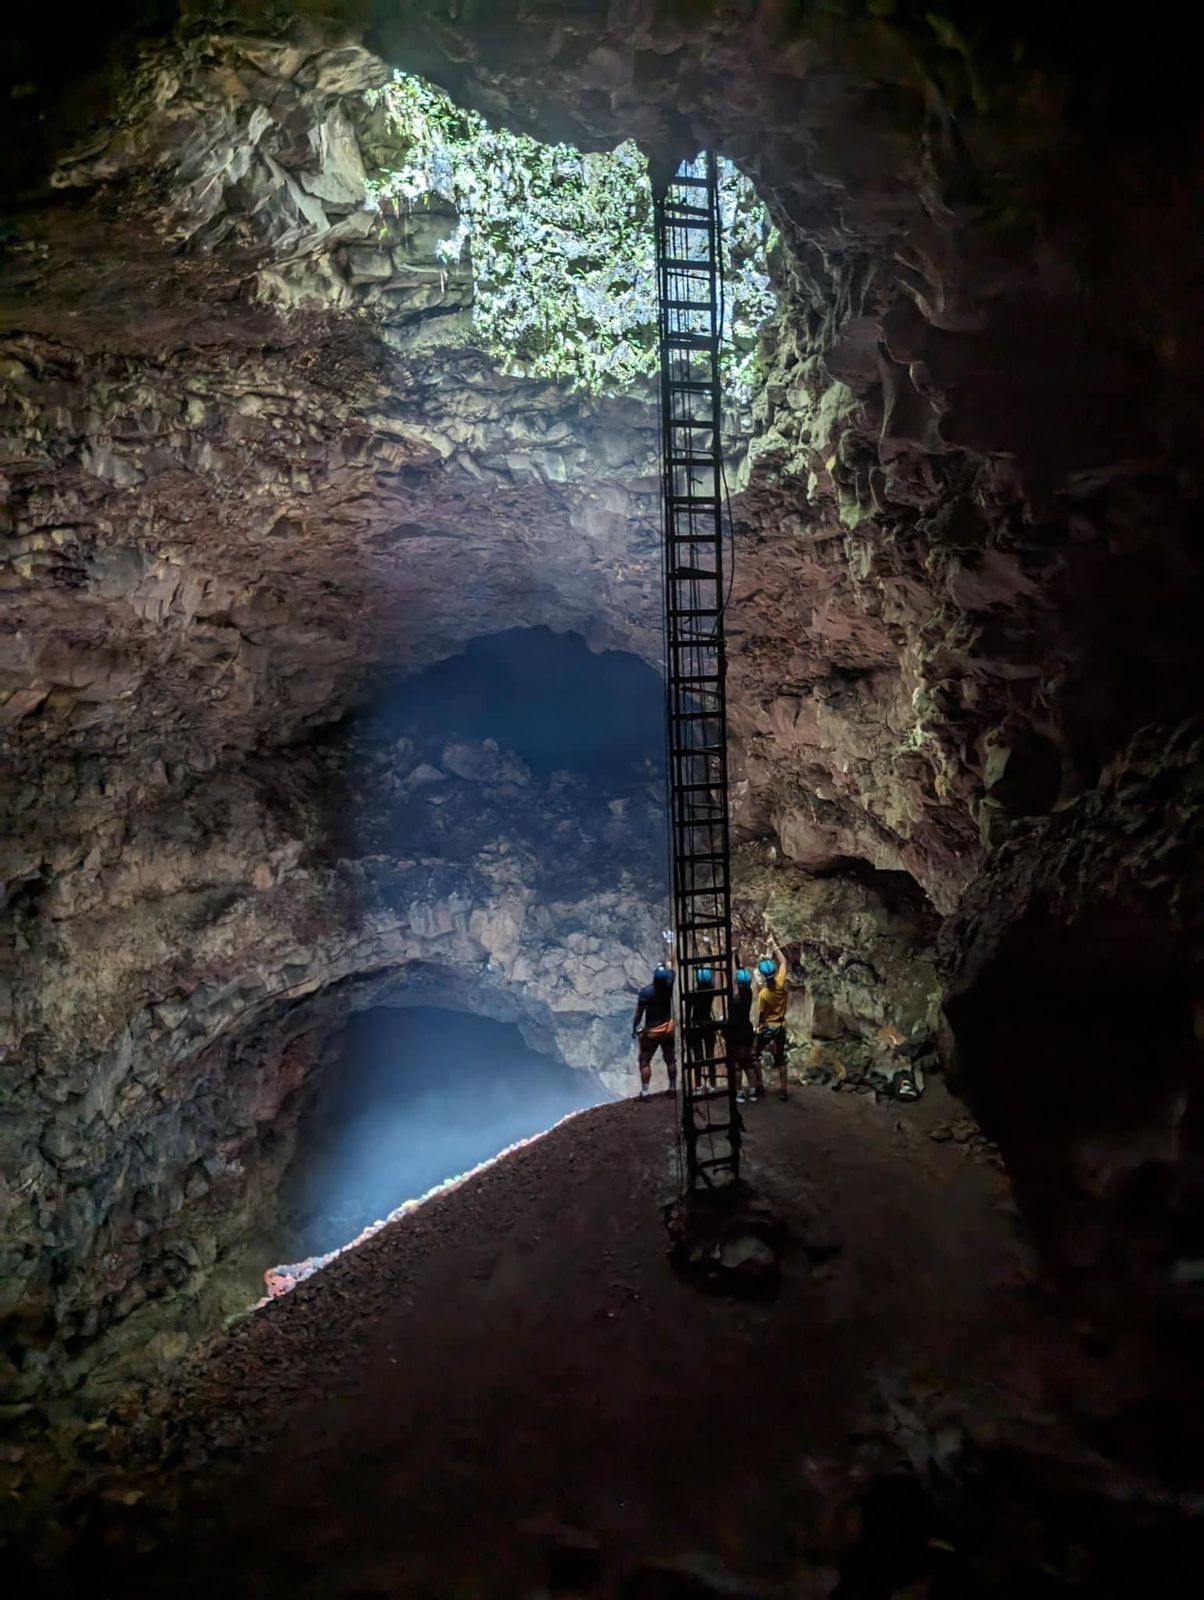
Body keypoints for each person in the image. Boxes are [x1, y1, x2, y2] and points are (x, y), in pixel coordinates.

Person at [632, 951, 676, 1100]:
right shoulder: (670, 984)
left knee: (644, 1061)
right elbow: (671, 967)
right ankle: (672, 1088)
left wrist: (635, 1028)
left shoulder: (647, 992)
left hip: (652, 1031)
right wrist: (668, 958)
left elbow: (639, 1013)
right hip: (668, 1028)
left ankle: (645, 1093)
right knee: (670, 1059)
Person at [755, 935, 791, 1101]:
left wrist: (758, 1026)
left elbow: (762, 1015)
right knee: (780, 1056)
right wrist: (773, 945)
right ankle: (784, 1089)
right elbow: (784, 962)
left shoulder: (764, 994)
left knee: (755, 1054)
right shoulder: (781, 982)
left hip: (769, 1026)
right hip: (781, 1025)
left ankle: (759, 1086)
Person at [726, 961, 762, 1104]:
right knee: (748, 1063)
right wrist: (739, 966)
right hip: (747, 1031)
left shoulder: (735, 1001)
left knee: (737, 1065)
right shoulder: (749, 993)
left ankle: (740, 1092)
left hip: (737, 1033)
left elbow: (731, 1015)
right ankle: (753, 1091)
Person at [685, 963, 720, 1089]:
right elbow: (714, 979)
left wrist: (687, 1030)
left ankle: (699, 1085)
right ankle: (713, 1084)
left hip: (696, 1025)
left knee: (698, 1057)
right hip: (708, 1023)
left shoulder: (692, 994)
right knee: (710, 1056)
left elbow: (688, 1014)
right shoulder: (711, 991)